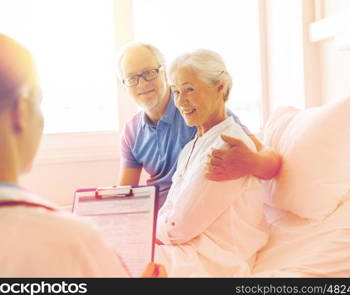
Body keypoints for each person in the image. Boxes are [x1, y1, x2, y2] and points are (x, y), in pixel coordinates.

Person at [0, 28, 165, 277]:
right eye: (40, 101)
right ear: (21, 111)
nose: (142, 83)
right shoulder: (72, 242)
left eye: (148, 74)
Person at [117, 42, 281, 208]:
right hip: (154, 217)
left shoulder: (195, 110)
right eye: (132, 78)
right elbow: (125, 194)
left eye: (149, 73)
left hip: (185, 215)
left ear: (164, 73)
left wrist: (251, 163)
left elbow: (271, 162)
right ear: (124, 85)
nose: (142, 84)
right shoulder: (131, 131)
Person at [154, 49, 269, 277]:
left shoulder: (227, 147)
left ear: (220, 88)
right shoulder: (191, 147)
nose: (180, 101)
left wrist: (149, 231)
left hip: (215, 262)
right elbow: (171, 212)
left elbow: (179, 228)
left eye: (189, 89)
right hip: (187, 251)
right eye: (175, 91)